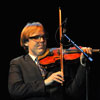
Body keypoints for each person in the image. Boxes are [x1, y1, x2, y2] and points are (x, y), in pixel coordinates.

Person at [8, 21, 92, 100]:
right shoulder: (17, 63)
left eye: (44, 37)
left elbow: (73, 92)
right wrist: (45, 83)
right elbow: (15, 90)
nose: (42, 40)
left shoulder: (58, 61)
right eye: (36, 37)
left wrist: (83, 65)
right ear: (26, 42)